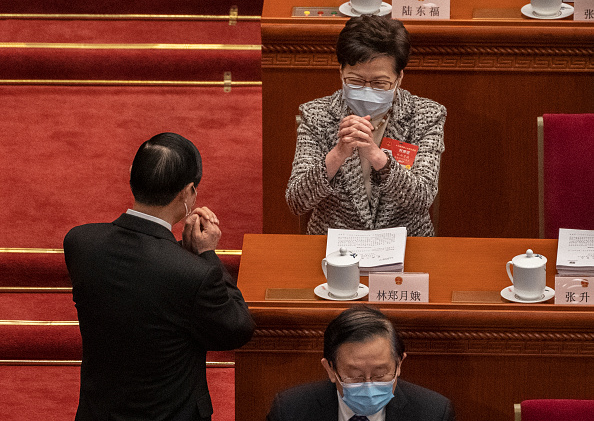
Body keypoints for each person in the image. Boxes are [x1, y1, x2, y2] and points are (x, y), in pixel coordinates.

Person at [64, 132, 255, 421]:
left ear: (132, 176)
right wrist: (206, 254)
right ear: (187, 192)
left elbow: (146, 275)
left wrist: (183, 254)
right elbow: (236, 328)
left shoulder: (79, 242)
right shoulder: (195, 274)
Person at [285, 15, 446, 236]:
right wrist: (338, 154)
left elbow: (421, 199)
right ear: (341, 72)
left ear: (399, 77)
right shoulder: (316, 115)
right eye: (356, 81)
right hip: (334, 247)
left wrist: (377, 156)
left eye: (380, 83)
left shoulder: (426, 116)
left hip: (407, 243)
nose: (367, 90)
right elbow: (297, 201)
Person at [267, 306, 455, 421]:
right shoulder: (290, 411)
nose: (368, 385)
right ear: (330, 369)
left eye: (380, 374)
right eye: (355, 375)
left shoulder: (433, 413)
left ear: (399, 364)